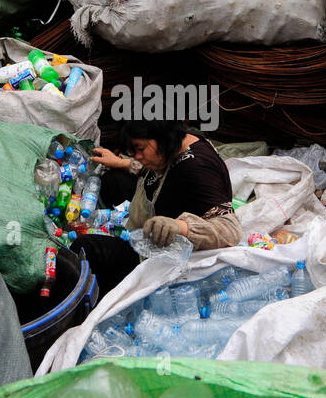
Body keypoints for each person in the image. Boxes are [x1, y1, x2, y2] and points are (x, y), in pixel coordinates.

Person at [71, 119, 242, 293]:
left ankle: (98, 298)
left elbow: (231, 231)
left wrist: (180, 227)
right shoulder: (176, 142)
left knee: (87, 247)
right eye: (133, 151)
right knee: (112, 181)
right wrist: (121, 162)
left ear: (163, 137)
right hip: (159, 208)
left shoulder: (196, 169)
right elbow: (151, 171)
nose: (137, 156)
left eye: (140, 149)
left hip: (163, 249)